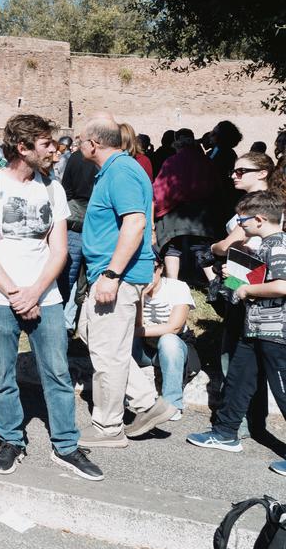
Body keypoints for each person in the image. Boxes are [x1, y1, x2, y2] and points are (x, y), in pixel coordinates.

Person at [0, 114, 103, 481]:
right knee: (3, 373)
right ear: (23, 148)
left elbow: (59, 251)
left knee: (57, 371)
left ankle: (66, 445)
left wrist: (35, 292)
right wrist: (14, 293)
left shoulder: (52, 189)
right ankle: (11, 440)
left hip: (45, 296)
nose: (56, 152)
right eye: (46, 145)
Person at [76, 113, 176, 448]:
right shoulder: (118, 169)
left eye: (80, 139)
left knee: (107, 353)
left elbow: (134, 224)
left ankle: (108, 427)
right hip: (113, 274)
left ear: (93, 143)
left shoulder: (120, 171)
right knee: (95, 336)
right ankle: (148, 403)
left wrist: (112, 275)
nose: (77, 145)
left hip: (115, 276)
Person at [187, 191, 286, 475]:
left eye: (242, 221)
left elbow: (281, 285)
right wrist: (234, 277)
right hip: (254, 328)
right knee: (239, 380)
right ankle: (225, 433)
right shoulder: (265, 246)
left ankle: (226, 431)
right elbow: (260, 280)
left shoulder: (278, 244)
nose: (239, 227)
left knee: (283, 391)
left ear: (258, 218)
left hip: (274, 332)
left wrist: (246, 288)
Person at [209, 151, 275, 440]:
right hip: (240, 281)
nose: (234, 175)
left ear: (262, 173)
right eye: (234, 171)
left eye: (241, 171)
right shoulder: (250, 204)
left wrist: (216, 247)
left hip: (250, 286)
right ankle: (239, 422)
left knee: (241, 357)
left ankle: (241, 421)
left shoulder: (262, 207)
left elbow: (228, 245)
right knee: (242, 356)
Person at [133, 251, 196, 421]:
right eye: (141, 270)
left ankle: (172, 405)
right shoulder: (133, 289)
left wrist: (137, 332)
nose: (147, 275)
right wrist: (140, 296)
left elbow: (174, 327)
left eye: (151, 270)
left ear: (160, 268)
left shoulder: (177, 287)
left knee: (168, 340)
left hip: (174, 349)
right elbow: (137, 326)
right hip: (144, 349)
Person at [153, 130, 219, 285]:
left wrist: (157, 208)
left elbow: (161, 187)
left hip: (175, 212)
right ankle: (213, 282)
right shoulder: (206, 161)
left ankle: (173, 283)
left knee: (172, 247)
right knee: (201, 247)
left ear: (178, 147)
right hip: (201, 212)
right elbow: (216, 185)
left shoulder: (172, 161)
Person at [59, 136, 98, 332]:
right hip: (96, 221)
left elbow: (66, 188)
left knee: (69, 274)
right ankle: (72, 319)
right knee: (85, 275)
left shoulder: (74, 157)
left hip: (74, 220)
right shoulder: (104, 159)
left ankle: (65, 320)